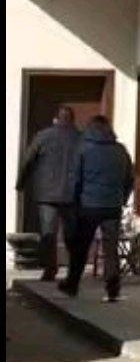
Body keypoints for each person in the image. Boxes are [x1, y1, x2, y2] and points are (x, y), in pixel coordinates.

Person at [61, 115, 135, 303]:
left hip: (89, 205)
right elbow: (129, 179)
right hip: (112, 206)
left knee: (81, 247)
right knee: (111, 249)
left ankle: (72, 284)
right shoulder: (120, 150)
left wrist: (74, 202)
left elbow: (76, 179)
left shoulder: (83, 149)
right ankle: (112, 289)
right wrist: (123, 199)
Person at [15, 105, 82, 283]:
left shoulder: (43, 136)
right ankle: (74, 269)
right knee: (72, 233)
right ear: (72, 120)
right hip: (72, 194)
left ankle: (50, 270)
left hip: (47, 194)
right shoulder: (81, 138)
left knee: (48, 234)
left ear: (56, 119)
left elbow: (28, 159)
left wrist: (21, 183)